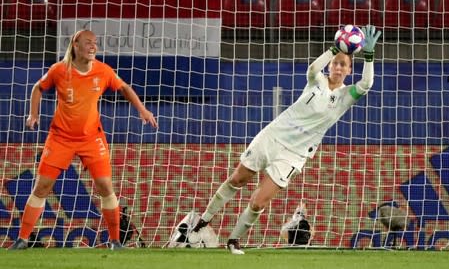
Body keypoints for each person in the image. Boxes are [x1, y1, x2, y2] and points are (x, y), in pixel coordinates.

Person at [189, 25, 382, 254]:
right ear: (331, 65)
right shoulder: (316, 80)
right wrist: (334, 48)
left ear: (350, 70)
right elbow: (312, 68)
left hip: (295, 154)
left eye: (344, 64)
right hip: (273, 136)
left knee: (259, 202)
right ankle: (205, 219)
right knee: (237, 179)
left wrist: (369, 56)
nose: (338, 67)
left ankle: (233, 240)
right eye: (336, 63)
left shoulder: (345, 97)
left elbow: (367, 84)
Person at [8, 29, 158, 250]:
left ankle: (115, 241)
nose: (93, 46)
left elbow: (125, 88)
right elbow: (38, 88)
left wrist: (143, 110)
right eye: (88, 42)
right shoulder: (59, 70)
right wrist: (33, 114)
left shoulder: (103, 71)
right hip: (60, 138)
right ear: (75, 45)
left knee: (106, 186)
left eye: (95, 43)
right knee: (42, 187)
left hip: (91, 139)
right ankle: (22, 239)